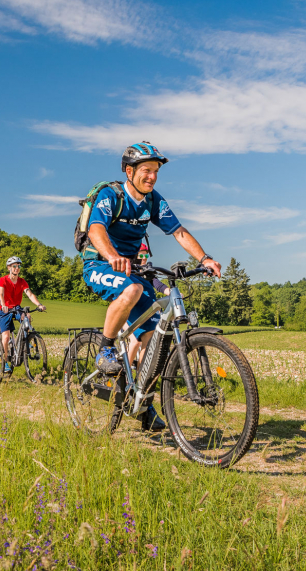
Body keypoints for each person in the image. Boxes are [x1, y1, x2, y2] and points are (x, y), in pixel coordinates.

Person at [83, 141, 222, 431]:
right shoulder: (112, 195)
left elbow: (179, 231)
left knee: (155, 339)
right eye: (146, 170)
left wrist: (205, 258)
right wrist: (112, 256)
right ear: (129, 171)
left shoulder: (153, 200)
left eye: (156, 171)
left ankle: (143, 404)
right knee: (131, 291)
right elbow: (96, 229)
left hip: (133, 270)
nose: (152, 177)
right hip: (100, 264)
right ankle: (106, 350)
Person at [0, 256, 46, 374]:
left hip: (16, 308)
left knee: (27, 316)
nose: (17, 268)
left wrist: (39, 304)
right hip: (4, 309)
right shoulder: (3, 280)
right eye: (14, 266)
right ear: (9, 267)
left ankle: (27, 341)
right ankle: (5, 363)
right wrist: (3, 305)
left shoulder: (22, 281)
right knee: (6, 336)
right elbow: (1, 294)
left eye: (19, 266)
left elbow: (29, 294)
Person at [126, 242, 170, 367]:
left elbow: (158, 285)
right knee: (135, 342)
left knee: (148, 343)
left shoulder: (146, 272)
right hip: (127, 312)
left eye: (146, 255)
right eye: (141, 255)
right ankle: (122, 378)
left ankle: (141, 380)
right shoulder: (128, 271)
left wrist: (171, 292)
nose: (144, 258)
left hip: (144, 312)